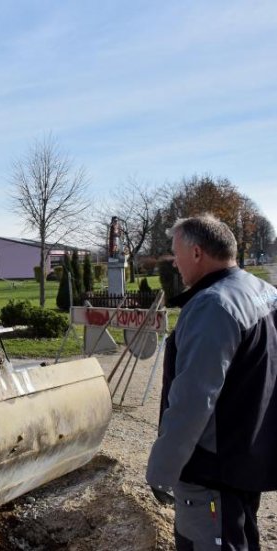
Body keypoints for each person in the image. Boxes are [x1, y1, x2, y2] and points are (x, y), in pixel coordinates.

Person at [146, 213, 277, 550]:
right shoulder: (262, 291)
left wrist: (161, 472)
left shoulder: (213, 306)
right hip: (248, 454)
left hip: (212, 471)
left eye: (176, 254)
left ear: (197, 253)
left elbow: (193, 401)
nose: (174, 264)